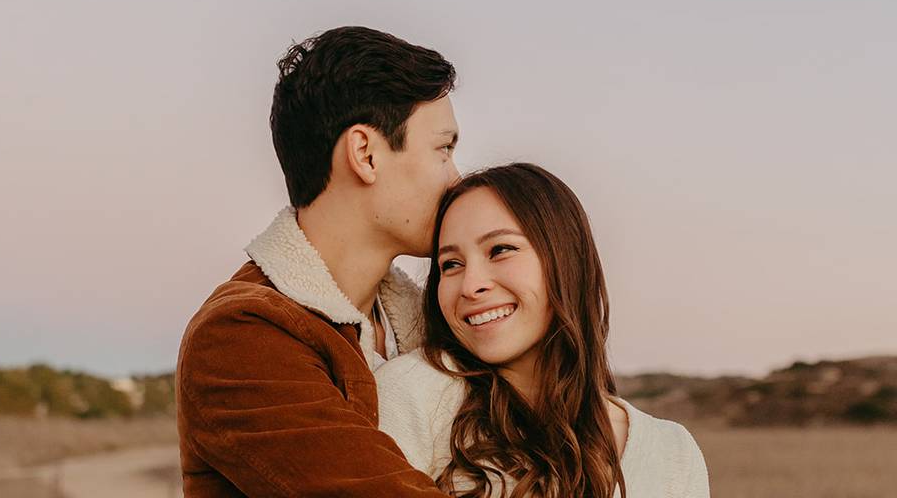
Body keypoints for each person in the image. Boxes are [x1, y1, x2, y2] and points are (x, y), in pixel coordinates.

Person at [176, 26, 460, 496]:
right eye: (443, 149)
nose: (457, 177)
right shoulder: (240, 336)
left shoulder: (430, 325)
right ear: (365, 154)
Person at [376, 163, 710, 497]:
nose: (470, 285)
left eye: (500, 250)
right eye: (451, 264)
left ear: (565, 259)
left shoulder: (673, 453)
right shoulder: (413, 395)